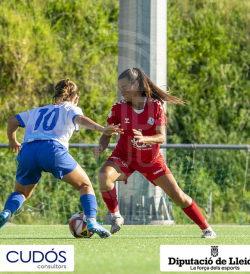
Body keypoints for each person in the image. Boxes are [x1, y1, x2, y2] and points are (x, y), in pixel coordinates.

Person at [0, 79, 123, 238]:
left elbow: (12, 121)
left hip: (28, 150)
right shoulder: (70, 108)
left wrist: (12, 140)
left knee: (21, 192)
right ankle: (91, 221)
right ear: (76, 98)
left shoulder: (37, 111)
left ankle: (6, 212)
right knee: (85, 185)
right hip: (52, 150)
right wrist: (102, 129)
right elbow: (79, 119)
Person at [93, 68, 217, 238]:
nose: (121, 92)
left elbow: (161, 137)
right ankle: (116, 217)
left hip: (150, 160)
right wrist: (101, 145)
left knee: (177, 195)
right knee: (103, 176)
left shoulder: (155, 106)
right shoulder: (118, 108)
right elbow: (108, 132)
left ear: (136, 85)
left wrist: (145, 139)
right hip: (124, 157)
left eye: (124, 87)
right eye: (119, 88)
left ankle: (206, 228)